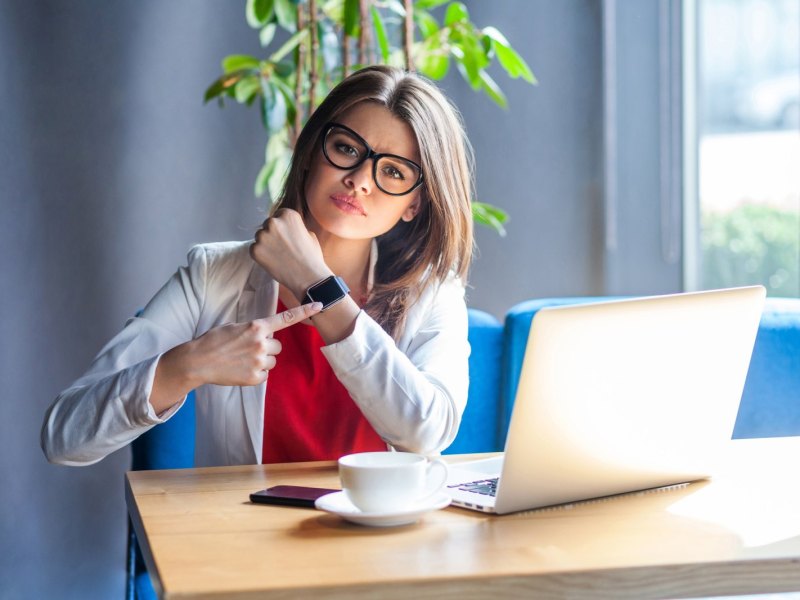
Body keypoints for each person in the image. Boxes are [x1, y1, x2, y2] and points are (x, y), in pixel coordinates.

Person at [41, 65, 474, 467]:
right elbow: (64, 436)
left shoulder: (433, 292)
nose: (360, 179)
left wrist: (316, 286)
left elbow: (428, 432)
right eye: (346, 148)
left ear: (414, 204)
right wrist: (187, 365)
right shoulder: (213, 274)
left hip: (382, 544)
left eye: (394, 172)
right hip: (246, 541)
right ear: (310, 152)